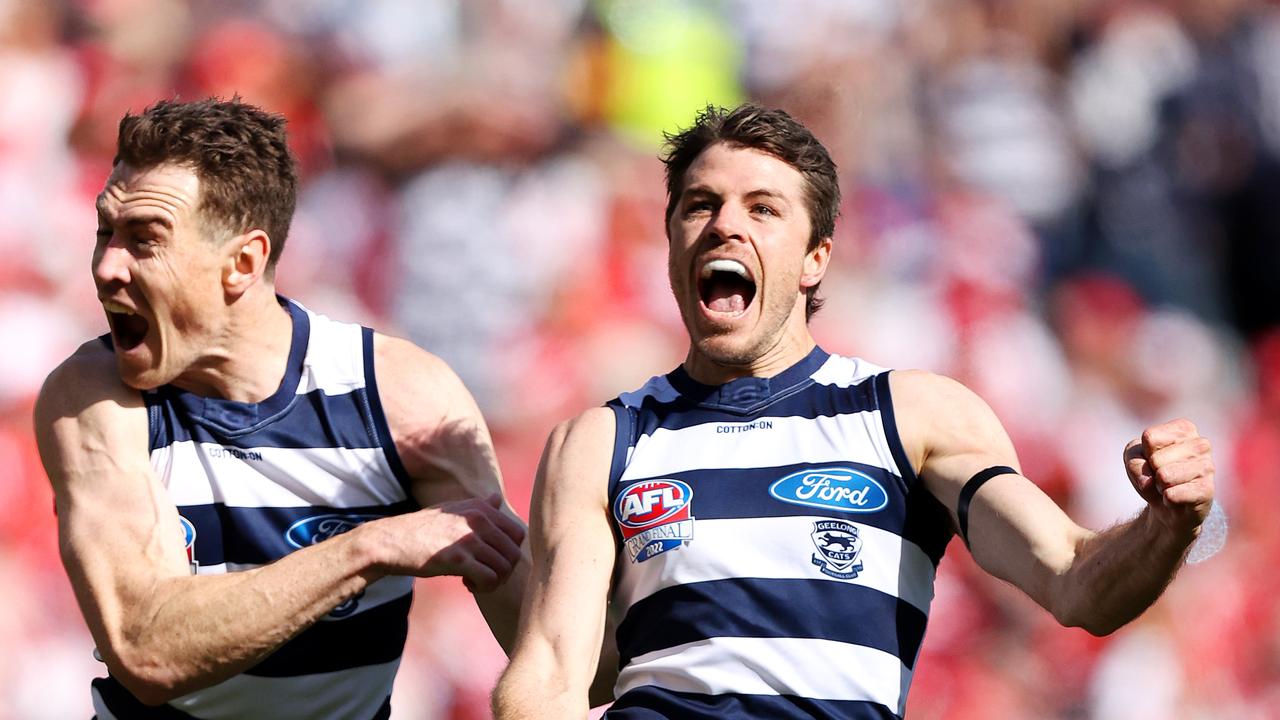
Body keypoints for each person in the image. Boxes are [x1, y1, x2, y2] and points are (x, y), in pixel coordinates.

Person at [492, 104, 1217, 719]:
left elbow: (1072, 579)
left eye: (763, 209)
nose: (723, 225)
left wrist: (1168, 523)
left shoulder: (911, 416)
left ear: (816, 258)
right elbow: (555, 673)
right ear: (672, 241)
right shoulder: (602, 440)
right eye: (699, 204)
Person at [34, 97, 529, 719]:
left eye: (143, 240)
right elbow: (146, 651)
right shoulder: (95, 395)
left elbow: (561, 661)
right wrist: (366, 549)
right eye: (105, 231)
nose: (106, 267)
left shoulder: (399, 395)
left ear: (242, 263)